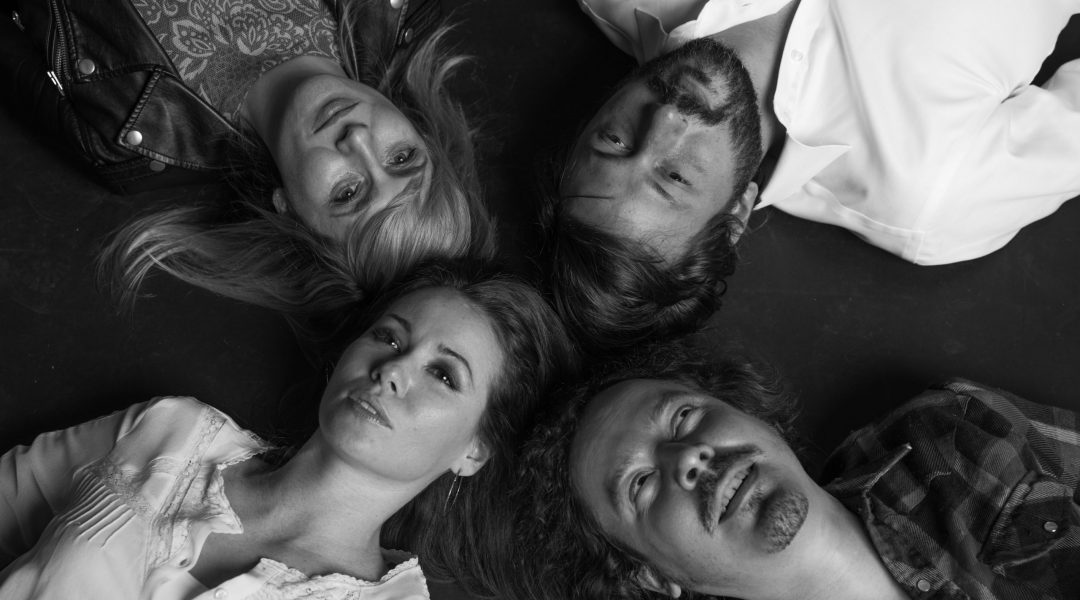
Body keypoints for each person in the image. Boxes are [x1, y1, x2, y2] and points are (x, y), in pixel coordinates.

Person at [0, 260, 576, 600]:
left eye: (444, 374)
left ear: (474, 450)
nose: (393, 370)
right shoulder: (172, 430)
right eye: (389, 337)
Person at [548, 0, 1080, 351]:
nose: (665, 119)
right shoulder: (930, 194)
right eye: (675, 176)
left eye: (613, 141)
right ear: (736, 215)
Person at [2, 0, 495, 313]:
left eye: (348, 192)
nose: (358, 140)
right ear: (424, 132)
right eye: (403, 157)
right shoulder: (394, 9)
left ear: (289, 209)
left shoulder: (118, 131)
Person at [516, 340, 1080, 600]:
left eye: (684, 417)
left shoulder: (948, 436)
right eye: (640, 484)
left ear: (751, 414)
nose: (686, 457)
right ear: (651, 578)